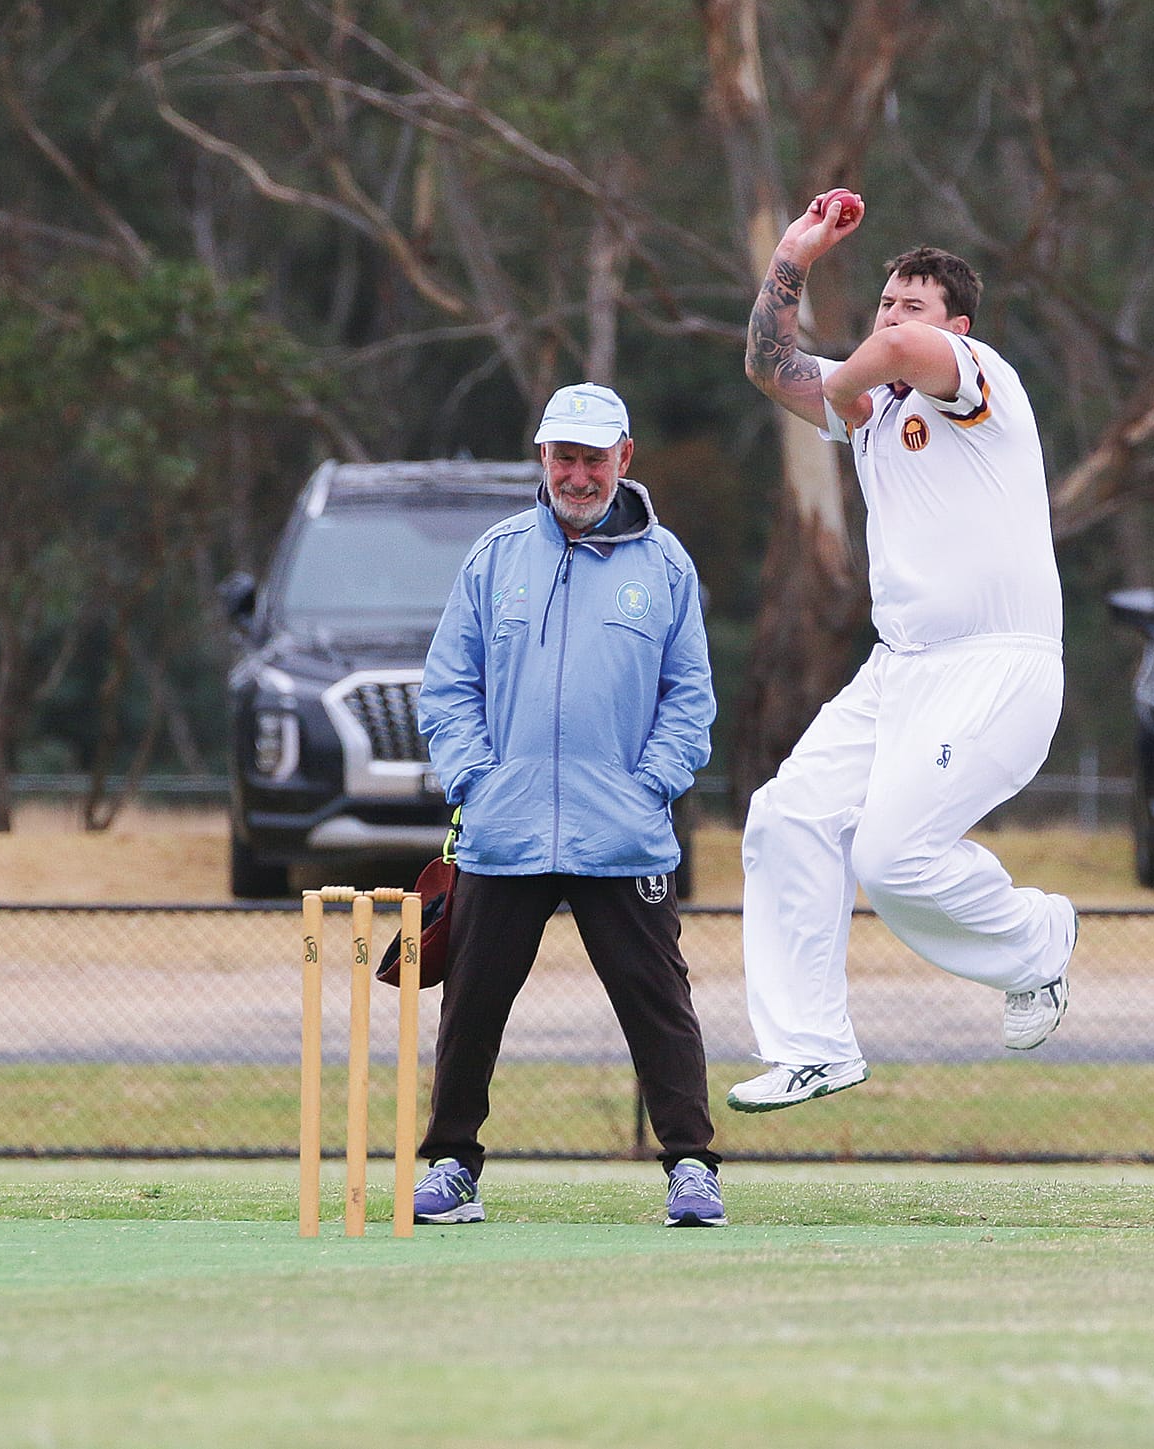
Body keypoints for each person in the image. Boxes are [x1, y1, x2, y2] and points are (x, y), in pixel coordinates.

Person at [730, 189, 1076, 1113]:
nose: (891, 321)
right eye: (883, 303)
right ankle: (813, 1048)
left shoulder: (977, 377)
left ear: (956, 326)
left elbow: (886, 359)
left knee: (891, 857)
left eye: (910, 304)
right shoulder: (874, 407)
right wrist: (796, 254)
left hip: (996, 664)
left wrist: (850, 372)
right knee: (785, 819)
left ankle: (1036, 941)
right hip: (901, 669)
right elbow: (767, 364)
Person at [413, 382, 725, 1227]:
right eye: (564, 457)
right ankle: (451, 1165)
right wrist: (477, 777)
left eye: (593, 458)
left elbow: (689, 697)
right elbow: (447, 688)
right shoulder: (495, 555)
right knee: (470, 1005)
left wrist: (651, 781)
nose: (577, 475)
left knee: (659, 1007)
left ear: (624, 458)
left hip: (621, 831)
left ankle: (692, 1167)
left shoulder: (664, 564)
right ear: (542, 458)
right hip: (504, 829)